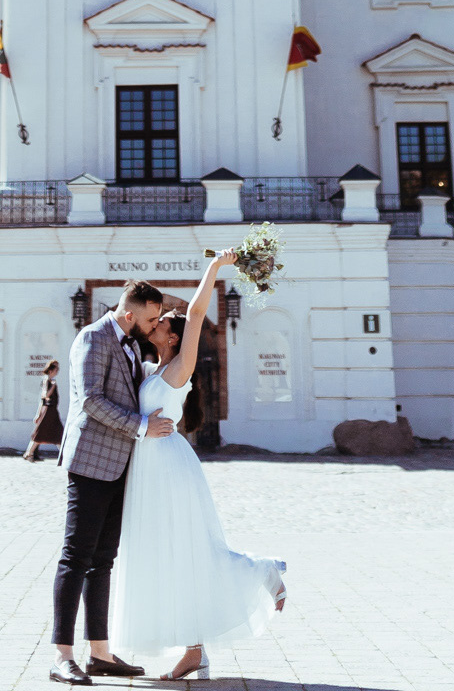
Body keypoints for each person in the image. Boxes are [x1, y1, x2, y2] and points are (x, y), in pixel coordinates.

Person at [111, 253, 285, 679]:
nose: (155, 324)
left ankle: (263, 571)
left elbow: (194, 312)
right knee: (166, 556)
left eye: (161, 322)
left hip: (169, 469)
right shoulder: (153, 368)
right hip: (147, 471)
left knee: (189, 550)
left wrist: (217, 266)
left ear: (173, 337)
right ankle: (195, 651)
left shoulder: (180, 367)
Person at [50, 279, 171, 686]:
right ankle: (62, 656)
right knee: (75, 558)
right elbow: (90, 400)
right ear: (130, 314)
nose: (153, 326)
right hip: (90, 462)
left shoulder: (132, 345)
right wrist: (142, 426)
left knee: (103, 560)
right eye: (151, 319)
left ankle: (100, 654)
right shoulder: (93, 337)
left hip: (120, 465)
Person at [24, 359, 65, 463]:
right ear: (51, 370)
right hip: (49, 411)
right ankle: (29, 453)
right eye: (56, 369)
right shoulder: (47, 380)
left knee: (58, 433)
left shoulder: (49, 380)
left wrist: (38, 414)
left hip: (52, 411)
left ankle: (64, 455)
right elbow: (45, 396)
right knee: (41, 433)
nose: (57, 371)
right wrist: (53, 386)